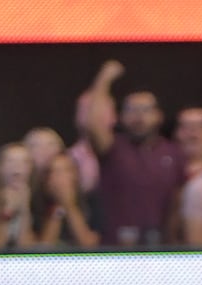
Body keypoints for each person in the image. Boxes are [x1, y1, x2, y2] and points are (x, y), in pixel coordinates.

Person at [80, 59, 188, 245]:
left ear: (159, 116)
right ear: (121, 117)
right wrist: (104, 80)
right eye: (132, 110)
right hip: (116, 249)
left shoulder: (173, 152)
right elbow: (92, 124)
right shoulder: (112, 148)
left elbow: (178, 202)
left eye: (146, 110)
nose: (139, 116)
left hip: (161, 250)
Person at [32, 151, 101, 248]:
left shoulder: (91, 201)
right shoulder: (36, 205)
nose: (59, 177)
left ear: (75, 176)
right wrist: (58, 208)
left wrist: (69, 205)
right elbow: (43, 249)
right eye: (54, 172)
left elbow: (89, 245)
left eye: (65, 171)